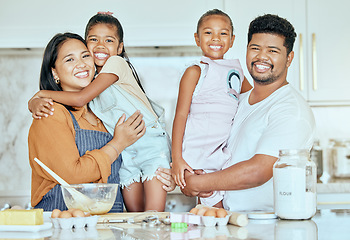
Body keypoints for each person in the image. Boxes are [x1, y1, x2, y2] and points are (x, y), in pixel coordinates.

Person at [28, 13, 171, 212]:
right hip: (67, 225)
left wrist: (166, 176)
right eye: (70, 59)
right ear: (54, 72)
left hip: (110, 227)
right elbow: (73, 176)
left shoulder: (102, 114)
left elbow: (129, 172)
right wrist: (118, 143)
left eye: (85, 55)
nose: (81, 63)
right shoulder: (51, 113)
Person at [180, 14, 316, 212]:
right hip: (231, 222)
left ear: (289, 58)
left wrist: (198, 183)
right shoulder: (238, 100)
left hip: (269, 226)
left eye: (273, 50)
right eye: (255, 48)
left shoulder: (291, 110)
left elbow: (258, 170)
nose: (262, 56)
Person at [171, 9, 251, 208]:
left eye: (223, 33)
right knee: (213, 209)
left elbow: (255, 98)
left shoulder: (237, 72)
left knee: (220, 212)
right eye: (208, 33)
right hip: (199, 155)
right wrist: (177, 159)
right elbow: (180, 116)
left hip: (223, 154)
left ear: (232, 40)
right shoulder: (195, 72)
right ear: (197, 39)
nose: (216, 38)